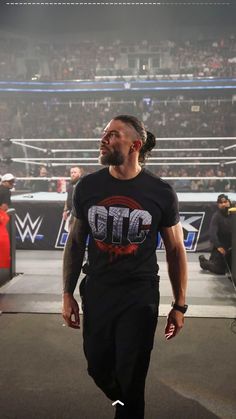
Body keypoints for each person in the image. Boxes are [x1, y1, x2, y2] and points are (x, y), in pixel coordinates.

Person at [62, 115, 188, 419]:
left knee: (132, 375)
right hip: (99, 290)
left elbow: (174, 249)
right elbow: (76, 243)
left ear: (135, 145)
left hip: (139, 294)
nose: (104, 139)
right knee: (97, 364)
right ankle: (121, 400)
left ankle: (128, 408)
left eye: (113, 134)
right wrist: (67, 294)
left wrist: (180, 304)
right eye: (104, 133)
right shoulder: (88, 186)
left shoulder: (159, 191)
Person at [199, 194, 232, 275]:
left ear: (229, 202)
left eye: (225, 202)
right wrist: (219, 247)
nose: (223, 204)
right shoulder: (216, 216)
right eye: (221, 203)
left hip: (232, 245)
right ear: (218, 205)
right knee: (220, 270)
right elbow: (212, 234)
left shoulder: (234, 214)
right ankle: (204, 262)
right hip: (222, 246)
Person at [62, 166, 83, 230]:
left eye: (75, 172)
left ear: (80, 173)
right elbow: (67, 197)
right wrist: (65, 210)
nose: (73, 174)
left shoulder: (83, 184)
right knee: (69, 231)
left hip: (79, 214)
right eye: (71, 172)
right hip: (71, 212)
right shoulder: (70, 184)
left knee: (76, 233)